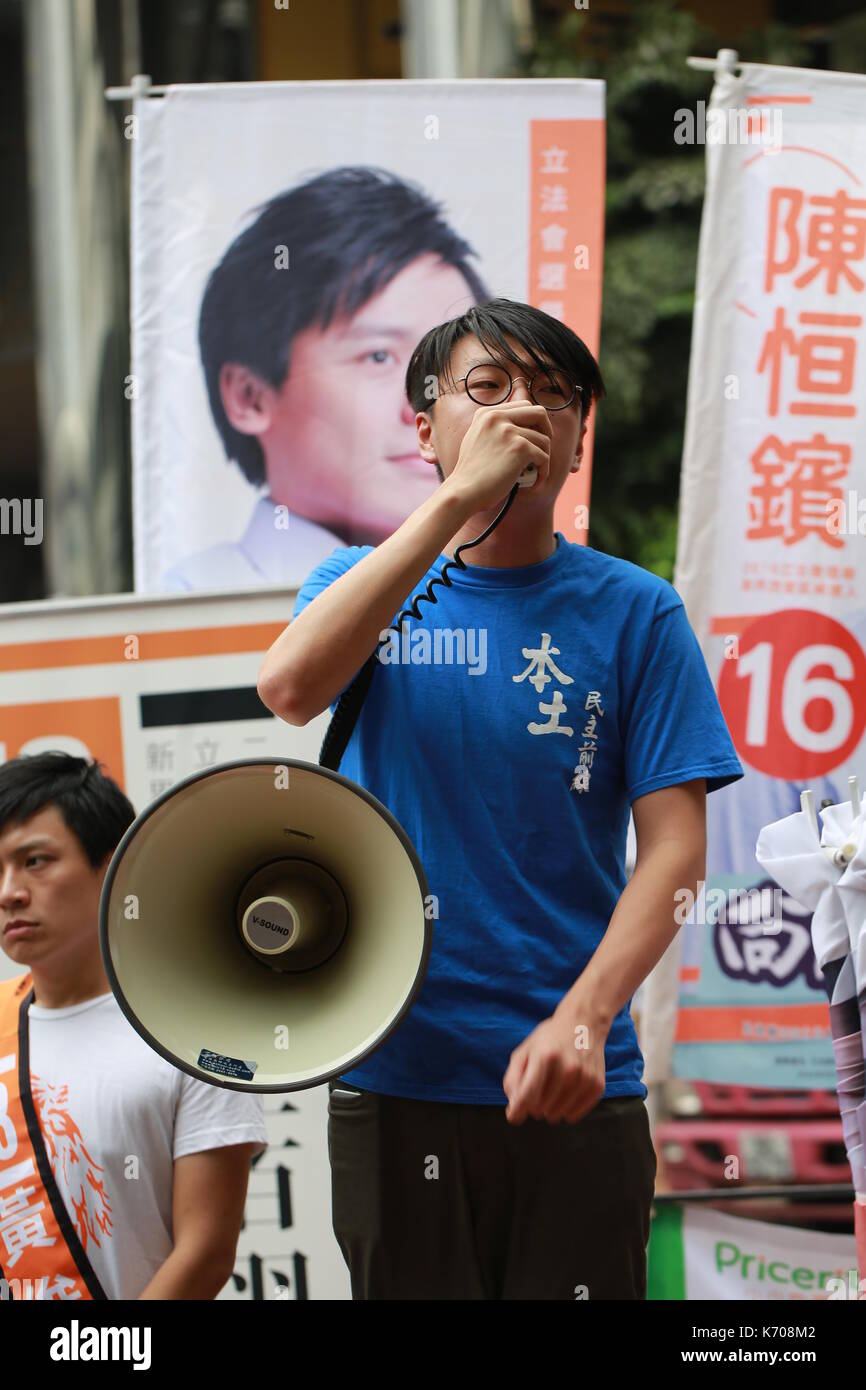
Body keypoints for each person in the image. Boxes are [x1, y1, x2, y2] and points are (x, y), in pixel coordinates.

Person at [256, 297, 745, 1300]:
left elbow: (672, 853)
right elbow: (289, 687)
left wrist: (584, 1017)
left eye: (553, 393)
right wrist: (451, 507)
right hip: (391, 1069)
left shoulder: (635, 610)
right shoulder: (358, 582)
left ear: (578, 442)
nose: (522, 409)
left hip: (574, 1075)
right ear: (426, 429)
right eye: (486, 389)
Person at [0, 753, 268, 1301]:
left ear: (113, 868)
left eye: (35, 861)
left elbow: (205, 1252)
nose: (9, 892)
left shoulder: (197, 1032)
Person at [161, 166, 491, 592]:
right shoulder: (193, 606)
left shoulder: (500, 590)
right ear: (250, 396)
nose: (428, 400)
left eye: (452, 361)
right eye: (377, 356)